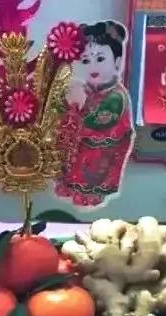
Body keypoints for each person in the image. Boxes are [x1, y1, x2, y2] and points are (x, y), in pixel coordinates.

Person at [55, 20, 135, 208]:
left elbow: (94, 123)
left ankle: (89, 195)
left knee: (89, 185)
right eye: (86, 60)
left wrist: (75, 108)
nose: (93, 66)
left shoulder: (115, 96)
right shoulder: (88, 91)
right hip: (82, 155)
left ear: (117, 62)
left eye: (100, 59)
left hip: (100, 160)